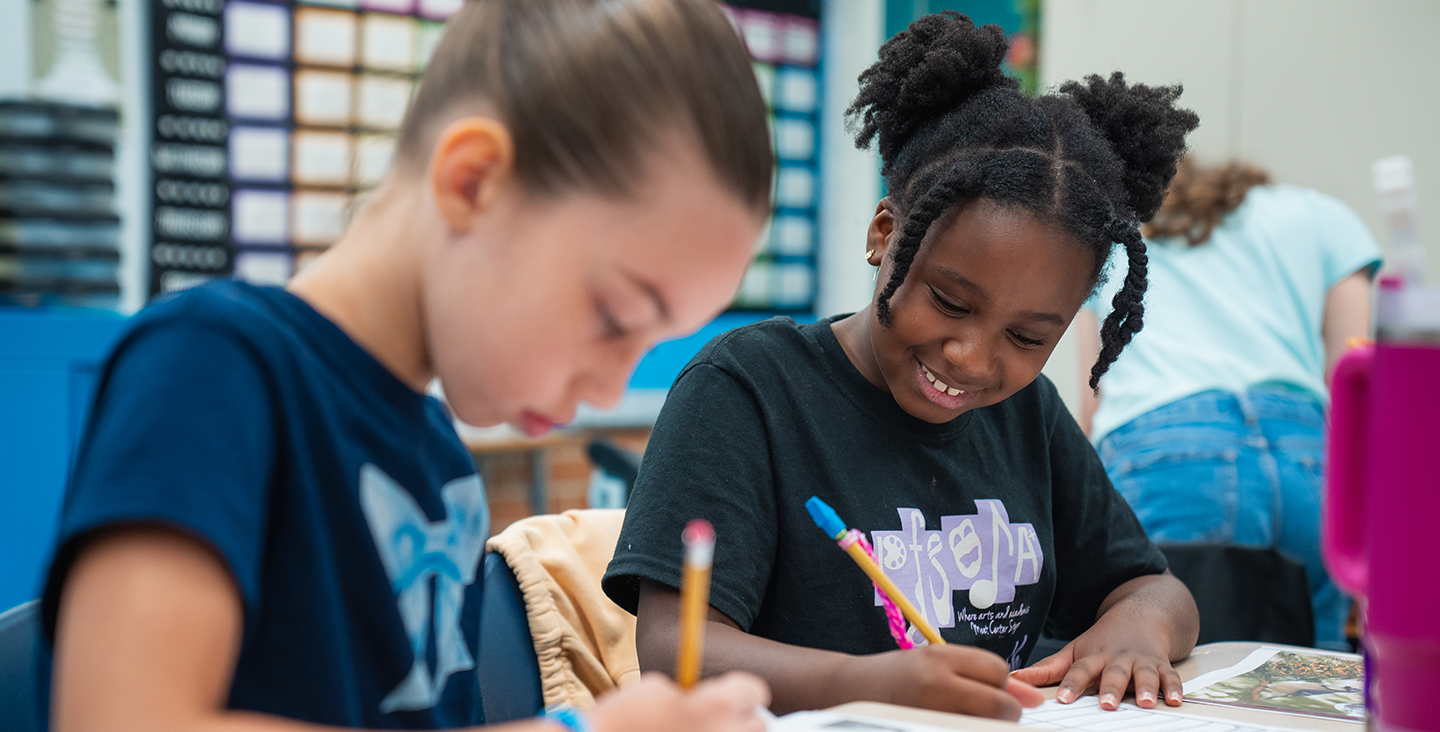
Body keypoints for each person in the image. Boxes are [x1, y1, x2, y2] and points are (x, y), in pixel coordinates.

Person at [40, 0, 777, 729]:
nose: (609, 387)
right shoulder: (210, 367)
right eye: (614, 317)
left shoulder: (435, 457)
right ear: (472, 182)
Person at [602, 11, 1201, 722]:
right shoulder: (750, 389)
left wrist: (1138, 625)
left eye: (1028, 336)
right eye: (949, 302)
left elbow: (1156, 588)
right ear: (885, 234)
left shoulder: (1025, 414)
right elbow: (678, 652)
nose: (972, 358)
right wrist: (876, 683)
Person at [1075, 157, 1382, 651]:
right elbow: (1356, 384)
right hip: (1307, 457)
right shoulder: (1322, 216)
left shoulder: (1117, 236)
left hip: (1166, 453)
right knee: (1317, 687)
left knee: (1162, 665)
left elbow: (1096, 394)